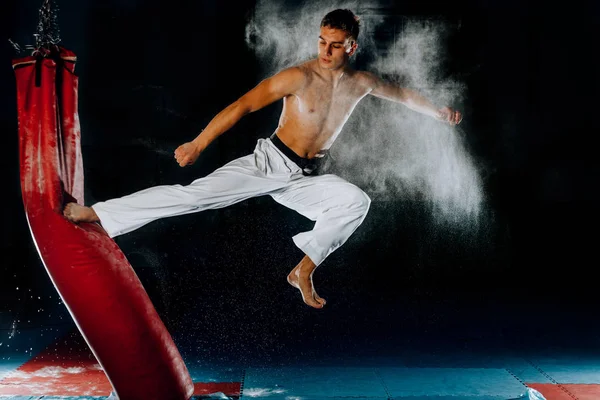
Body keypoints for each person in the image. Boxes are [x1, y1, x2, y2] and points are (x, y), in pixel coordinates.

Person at [63, 9, 462, 309]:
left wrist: (438, 112)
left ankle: (303, 268)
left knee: (356, 202)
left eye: (336, 44)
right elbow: (242, 106)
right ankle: (97, 213)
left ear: (351, 46)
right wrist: (198, 144)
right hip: (267, 164)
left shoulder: (362, 83)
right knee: (192, 197)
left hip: (305, 178)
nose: (326, 50)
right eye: (322, 41)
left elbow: (402, 95)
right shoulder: (298, 77)